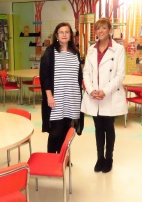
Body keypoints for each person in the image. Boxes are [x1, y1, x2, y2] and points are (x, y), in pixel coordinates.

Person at [81, 17, 128, 173]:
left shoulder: (118, 49)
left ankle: (109, 159)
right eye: (98, 29)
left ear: (109, 30)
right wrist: (91, 90)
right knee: (98, 128)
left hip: (110, 95)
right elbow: (86, 72)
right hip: (94, 95)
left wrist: (105, 91)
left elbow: (120, 75)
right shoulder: (91, 49)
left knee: (109, 127)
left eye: (103, 28)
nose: (100, 31)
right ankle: (99, 158)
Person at [40, 22, 84, 153]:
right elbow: (45, 76)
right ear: (56, 35)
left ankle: (63, 158)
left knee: (67, 131)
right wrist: (49, 96)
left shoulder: (75, 52)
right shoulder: (50, 51)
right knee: (55, 132)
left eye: (67, 32)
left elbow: (78, 75)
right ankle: (52, 159)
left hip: (73, 98)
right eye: (61, 32)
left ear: (71, 35)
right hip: (56, 99)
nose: (64, 35)